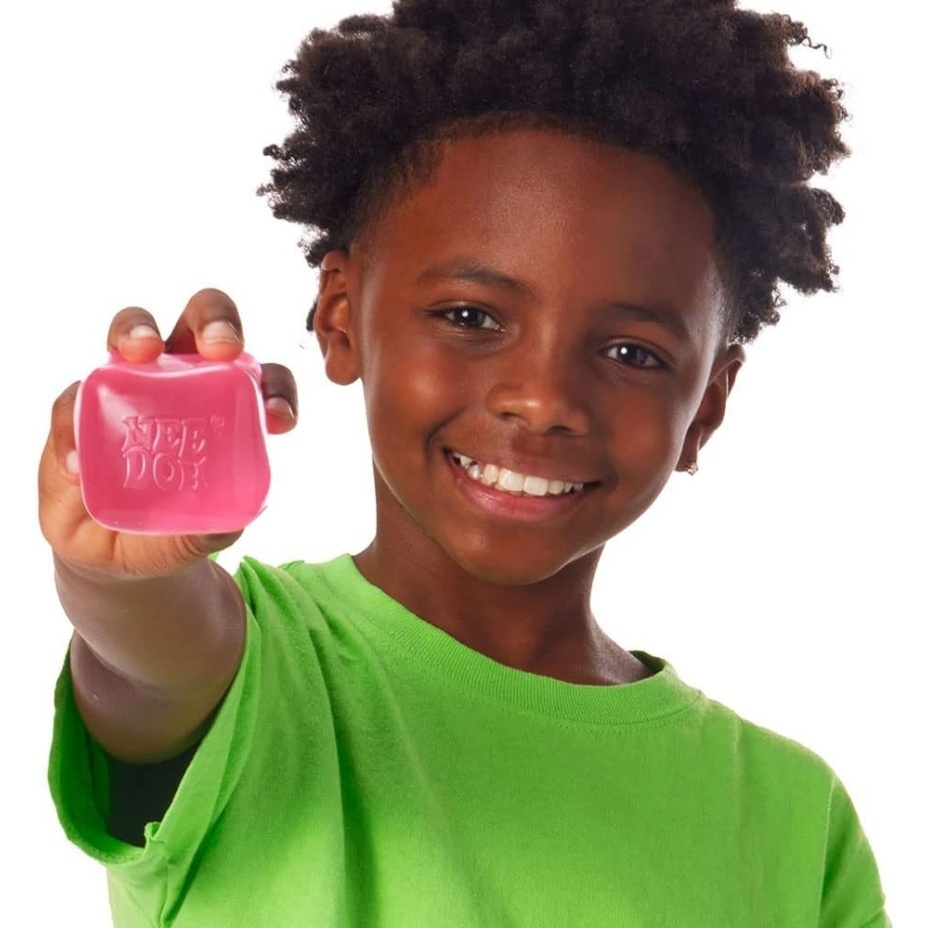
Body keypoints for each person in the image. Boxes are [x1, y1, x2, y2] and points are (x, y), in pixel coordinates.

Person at [38, 0, 890, 925]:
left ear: (707, 408)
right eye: (471, 317)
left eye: (631, 353)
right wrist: (112, 572)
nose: (543, 399)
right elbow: (144, 659)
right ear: (340, 319)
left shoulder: (795, 818)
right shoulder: (249, 676)